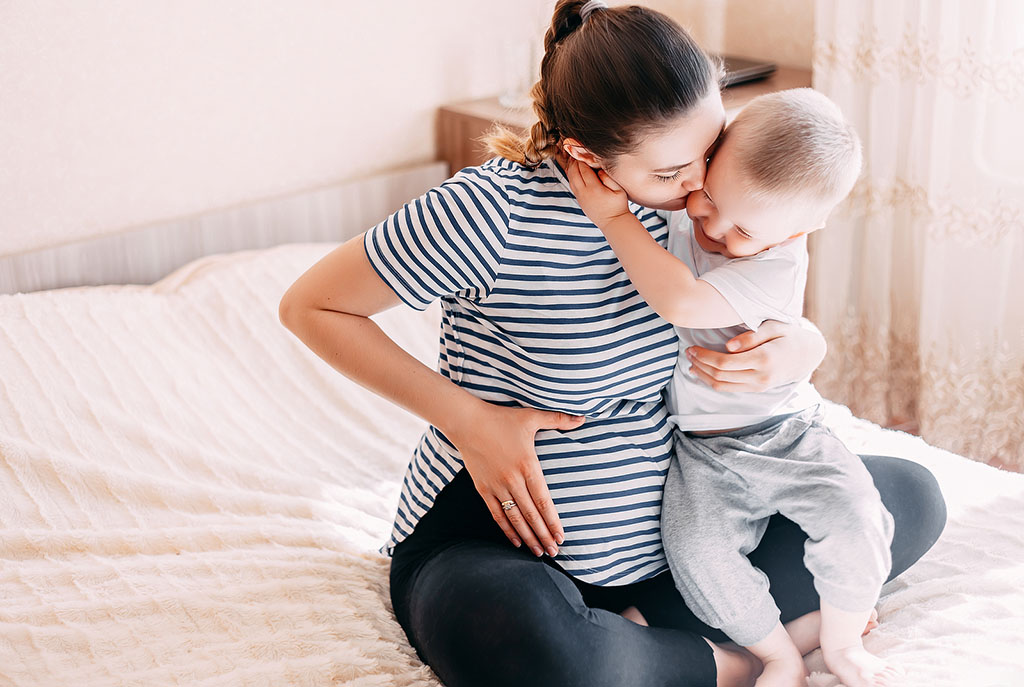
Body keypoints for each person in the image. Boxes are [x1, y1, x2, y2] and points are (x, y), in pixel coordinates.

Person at [278, 2, 947, 686]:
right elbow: (310, 305)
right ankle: (727, 659)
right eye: (670, 174)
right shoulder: (489, 213)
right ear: (587, 156)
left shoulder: (704, 208)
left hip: (675, 542)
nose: (697, 192)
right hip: (501, 543)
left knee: (907, 497)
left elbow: (765, 288)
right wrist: (467, 417)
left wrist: (804, 343)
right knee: (526, 635)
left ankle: (643, 639)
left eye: (708, 152)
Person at [567, 88, 903, 687]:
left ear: (807, 229)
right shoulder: (690, 208)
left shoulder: (778, 262)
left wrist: (614, 219)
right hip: (703, 452)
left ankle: (844, 641)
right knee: (697, 555)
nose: (712, 229)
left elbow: (681, 300)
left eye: (744, 229)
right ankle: (774, 652)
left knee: (860, 518)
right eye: (710, 200)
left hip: (787, 434)